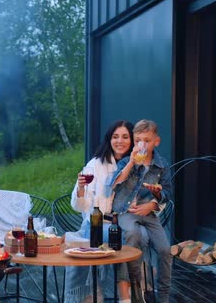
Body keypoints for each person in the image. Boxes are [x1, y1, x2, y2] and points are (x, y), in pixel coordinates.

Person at [64, 120, 137, 303]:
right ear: (109, 139)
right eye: (115, 137)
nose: (120, 141)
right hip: (97, 224)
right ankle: (122, 295)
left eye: (125, 137)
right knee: (121, 235)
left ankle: (133, 291)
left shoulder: (138, 165)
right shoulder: (95, 165)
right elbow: (80, 206)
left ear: (133, 140)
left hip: (128, 221)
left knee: (137, 234)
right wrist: (81, 190)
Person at [111, 119, 173, 303]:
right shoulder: (126, 161)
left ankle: (163, 298)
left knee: (165, 250)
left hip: (149, 213)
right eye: (138, 140)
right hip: (126, 212)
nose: (141, 145)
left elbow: (168, 191)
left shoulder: (162, 165)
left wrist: (154, 201)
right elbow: (114, 183)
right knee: (133, 235)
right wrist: (131, 162)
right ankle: (136, 295)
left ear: (156, 142)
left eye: (146, 140)